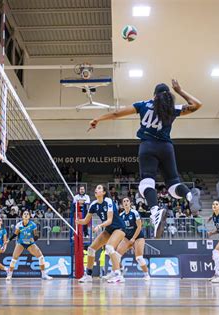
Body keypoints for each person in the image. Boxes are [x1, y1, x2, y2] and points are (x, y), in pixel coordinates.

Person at [88, 79, 202, 238]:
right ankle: (189, 194)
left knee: (146, 184)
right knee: (173, 186)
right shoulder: (172, 109)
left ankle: (155, 211)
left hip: (148, 146)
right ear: (168, 96)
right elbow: (197, 105)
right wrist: (180, 90)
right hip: (167, 148)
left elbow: (116, 114)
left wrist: (98, 119)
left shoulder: (143, 105)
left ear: (154, 96)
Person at [76, 184, 126, 283]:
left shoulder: (108, 201)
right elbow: (86, 220)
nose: (96, 189)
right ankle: (88, 275)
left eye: (99, 188)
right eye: (96, 187)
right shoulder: (93, 204)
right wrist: (78, 221)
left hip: (119, 228)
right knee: (91, 249)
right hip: (108, 230)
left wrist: (99, 226)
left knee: (109, 247)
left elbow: (110, 220)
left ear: (103, 192)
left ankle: (118, 275)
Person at [6, 210, 52, 281]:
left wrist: (33, 239)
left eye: (27, 214)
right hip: (20, 243)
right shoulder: (19, 225)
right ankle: (9, 275)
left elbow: (36, 236)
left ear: (29, 216)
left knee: (41, 257)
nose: (26, 215)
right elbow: (15, 234)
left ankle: (43, 275)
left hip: (30, 243)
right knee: (14, 259)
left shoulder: (33, 224)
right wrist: (8, 240)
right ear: (22, 216)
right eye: (24, 214)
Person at [111, 197, 150, 281]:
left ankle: (146, 274)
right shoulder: (121, 215)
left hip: (138, 236)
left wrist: (133, 239)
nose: (126, 202)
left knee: (139, 257)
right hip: (127, 237)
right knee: (116, 255)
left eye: (127, 201)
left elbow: (139, 226)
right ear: (122, 205)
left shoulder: (134, 213)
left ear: (130, 203)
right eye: (124, 201)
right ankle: (120, 272)